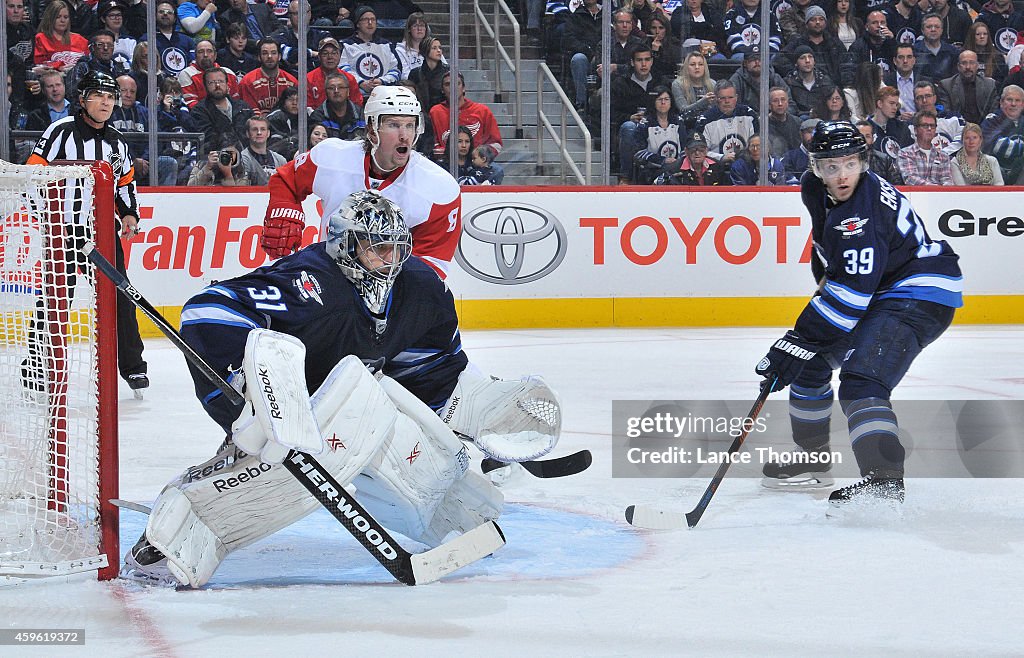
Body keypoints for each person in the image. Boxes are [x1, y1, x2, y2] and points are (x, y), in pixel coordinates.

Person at [121, 190, 560, 588]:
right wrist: (250, 394)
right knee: (273, 474)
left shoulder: (421, 289)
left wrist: (469, 419)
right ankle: (170, 540)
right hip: (278, 415)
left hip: (345, 404)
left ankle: (451, 516)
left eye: (397, 248)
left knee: (398, 438)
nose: (390, 260)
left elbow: (434, 368)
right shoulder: (311, 283)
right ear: (347, 246)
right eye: (376, 247)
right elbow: (207, 310)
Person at [756, 120, 962, 505]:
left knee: (862, 382)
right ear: (815, 167)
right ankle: (813, 461)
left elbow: (852, 293)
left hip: (919, 292)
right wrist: (801, 345)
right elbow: (835, 262)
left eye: (849, 164)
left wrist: (797, 337)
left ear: (863, 162)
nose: (841, 175)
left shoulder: (861, 215)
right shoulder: (814, 190)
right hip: (881, 290)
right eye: (830, 166)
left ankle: (883, 482)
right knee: (809, 365)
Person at [24, 70, 149, 392]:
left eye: (111, 97)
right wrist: (47, 216)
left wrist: (131, 215)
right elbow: (32, 174)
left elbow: (125, 184)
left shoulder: (117, 142)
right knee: (55, 299)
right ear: (83, 100)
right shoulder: (60, 131)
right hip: (63, 230)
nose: (106, 103)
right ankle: (36, 365)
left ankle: (133, 367)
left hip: (103, 234)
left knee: (123, 298)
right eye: (100, 96)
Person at [260, 85, 462, 281]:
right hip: (327, 278)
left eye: (410, 125)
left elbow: (430, 266)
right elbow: (287, 179)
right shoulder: (332, 156)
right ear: (372, 129)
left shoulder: (439, 188)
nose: (404, 135)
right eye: (393, 125)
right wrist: (284, 210)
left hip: (386, 291)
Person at [429, 71, 503, 173]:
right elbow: (431, 144)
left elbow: (496, 144)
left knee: (497, 171)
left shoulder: (482, 111)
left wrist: (479, 156)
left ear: (464, 88)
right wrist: (448, 153)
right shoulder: (435, 112)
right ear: (442, 90)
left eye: (457, 83)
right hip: (446, 164)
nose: (452, 87)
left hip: (476, 164)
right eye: (447, 84)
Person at [341, 6, 402, 96]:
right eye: (365, 19)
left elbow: (396, 70)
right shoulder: (346, 45)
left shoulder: (386, 45)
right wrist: (361, 82)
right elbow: (342, 69)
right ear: (358, 23)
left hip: (384, 90)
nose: (370, 23)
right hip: (356, 91)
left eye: (373, 19)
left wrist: (381, 81)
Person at [694, 80, 759, 163]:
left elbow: (757, 144)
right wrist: (721, 158)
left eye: (730, 97)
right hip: (715, 167)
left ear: (736, 98)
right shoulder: (705, 120)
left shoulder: (748, 114)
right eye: (723, 98)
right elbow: (700, 151)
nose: (727, 101)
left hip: (746, 165)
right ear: (716, 99)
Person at [190, 67, 254, 147]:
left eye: (221, 81)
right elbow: (207, 139)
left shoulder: (242, 106)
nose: (217, 85)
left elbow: (253, 130)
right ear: (205, 87)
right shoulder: (199, 111)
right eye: (212, 82)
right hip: (218, 154)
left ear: (227, 85)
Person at [239, 38, 298, 117]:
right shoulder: (247, 82)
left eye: (273, 53)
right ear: (259, 57)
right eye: (265, 53)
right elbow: (249, 114)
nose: (269, 56)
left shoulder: (292, 81)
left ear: (279, 56)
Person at [938, 50, 998, 126]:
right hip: (957, 128)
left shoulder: (990, 85)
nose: (968, 67)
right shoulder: (946, 85)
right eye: (964, 63)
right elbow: (947, 113)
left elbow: (993, 113)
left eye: (972, 63)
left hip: (985, 129)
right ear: (958, 66)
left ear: (977, 66)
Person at [981, 84, 1024, 183]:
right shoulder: (992, 120)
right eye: (1009, 100)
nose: (1013, 104)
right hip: (996, 173)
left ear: (1023, 104)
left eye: (1017, 100)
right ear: (1001, 102)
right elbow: (996, 146)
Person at [141, 0, 196, 79]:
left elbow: (193, 65)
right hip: (159, 83)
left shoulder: (186, 40)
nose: (165, 14)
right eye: (161, 12)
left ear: (175, 18)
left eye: (169, 12)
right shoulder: (147, 39)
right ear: (155, 16)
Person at [897, 110, 954, 185]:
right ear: (915, 130)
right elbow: (910, 179)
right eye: (925, 125)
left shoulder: (943, 156)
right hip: (915, 195)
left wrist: (944, 189)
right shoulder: (905, 153)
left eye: (932, 126)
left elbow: (947, 179)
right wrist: (935, 188)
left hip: (940, 195)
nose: (929, 129)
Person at [653, 131, 731, 185]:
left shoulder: (717, 166)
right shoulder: (672, 170)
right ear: (686, 151)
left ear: (706, 150)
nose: (697, 153)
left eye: (701, 149)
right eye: (693, 149)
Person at [305, 37, 363, 109]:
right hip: (317, 119)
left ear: (339, 55)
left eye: (334, 53)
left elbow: (357, 104)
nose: (330, 57)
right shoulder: (308, 79)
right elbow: (307, 108)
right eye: (325, 54)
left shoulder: (349, 79)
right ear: (319, 56)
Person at [308, 71, 367, 140]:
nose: (336, 91)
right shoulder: (317, 116)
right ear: (326, 92)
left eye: (341, 87)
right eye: (331, 88)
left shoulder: (361, 114)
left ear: (348, 91)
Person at [33, 0, 90, 71]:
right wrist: (59, 67)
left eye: (66, 17)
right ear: (50, 18)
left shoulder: (80, 40)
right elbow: (40, 65)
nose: (62, 20)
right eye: (58, 17)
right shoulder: (41, 38)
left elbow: (89, 62)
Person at [670, 51, 716, 124]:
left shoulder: (712, 84)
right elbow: (683, 110)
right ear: (686, 67)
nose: (697, 67)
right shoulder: (678, 84)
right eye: (692, 64)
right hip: (687, 124)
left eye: (700, 64)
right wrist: (703, 102)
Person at [913, 14, 960, 83]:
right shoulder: (914, 51)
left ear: (942, 30)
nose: (933, 29)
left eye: (937, 27)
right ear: (922, 30)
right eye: (929, 27)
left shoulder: (952, 52)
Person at [868, 86, 913, 158]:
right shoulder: (867, 128)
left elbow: (910, 154)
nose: (895, 108)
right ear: (880, 103)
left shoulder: (902, 127)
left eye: (896, 104)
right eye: (891, 103)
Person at [240, 116, 287, 185]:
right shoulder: (243, 159)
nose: (259, 132)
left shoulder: (280, 160)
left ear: (268, 133)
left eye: (263, 129)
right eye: (255, 129)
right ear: (247, 133)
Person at [855, 119, 904, 184]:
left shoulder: (884, 160)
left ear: (873, 139)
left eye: (867, 136)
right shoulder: (846, 160)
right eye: (860, 136)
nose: (863, 140)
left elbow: (896, 184)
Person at [407, 36, 449, 111]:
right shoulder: (415, 73)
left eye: (440, 48)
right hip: (421, 112)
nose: (439, 50)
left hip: (442, 112)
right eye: (434, 48)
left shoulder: (448, 72)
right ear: (425, 51)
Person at [766, 86, 802, 158]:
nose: (780, 104)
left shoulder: (797, 122)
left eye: (783, 100)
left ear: (788, 103)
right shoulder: (762, 123)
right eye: (775, 101)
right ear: (769, 105)